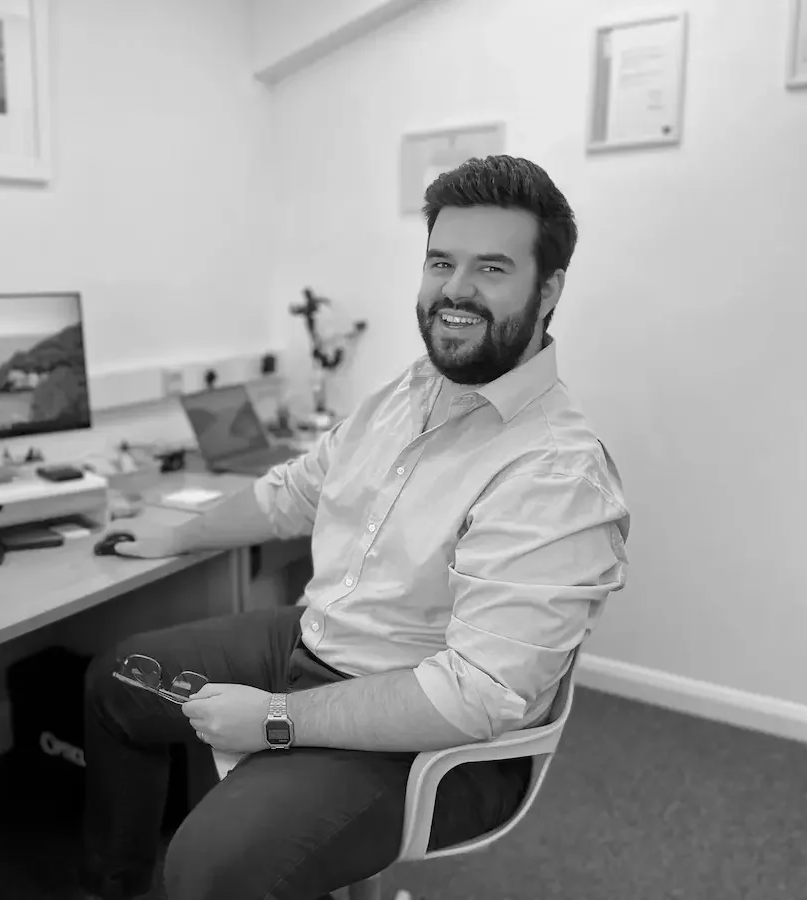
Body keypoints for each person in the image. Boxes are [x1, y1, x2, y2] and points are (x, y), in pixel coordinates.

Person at [79, 155, 631, 900]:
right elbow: (297, 491)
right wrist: (175, 534)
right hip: (317, 644)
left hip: (430, 736)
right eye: (442, 261)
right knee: (116, 680)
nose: (456, 289)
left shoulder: (556, 470)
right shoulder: (411, 390)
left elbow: (476, 696)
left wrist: (274, 720)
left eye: (492, 268)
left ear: (549, 289)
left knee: (210, 869)